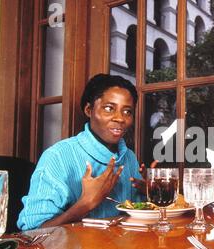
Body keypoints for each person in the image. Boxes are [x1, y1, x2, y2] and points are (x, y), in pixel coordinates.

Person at [18, 74, 150, 231]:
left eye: (127, 111)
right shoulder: (57, 157)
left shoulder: (129, 157)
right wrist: (85, 204)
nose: (120, 118)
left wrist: (149, 194)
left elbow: (136, 219)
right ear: (89, 110)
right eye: (109, 108)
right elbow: (31, 233)